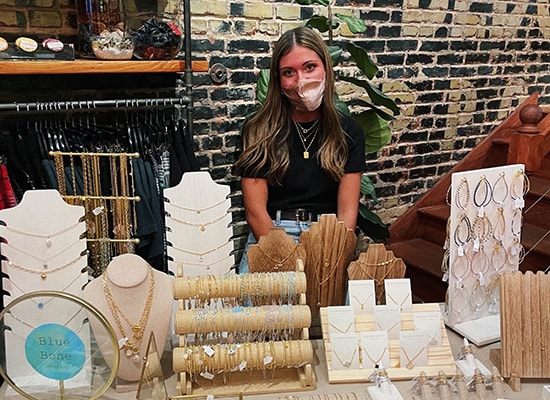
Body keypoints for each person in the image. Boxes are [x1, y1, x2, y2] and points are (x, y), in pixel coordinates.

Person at [234, 26, 367, 273]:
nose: (301, 81)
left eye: (309, 67)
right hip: (271, 232)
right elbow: (254, 211)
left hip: (326, 236)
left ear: (326, 68)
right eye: (288, 72)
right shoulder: (258, 130)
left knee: (334, 310)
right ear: (278, 81)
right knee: (256, 310)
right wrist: (283, 258)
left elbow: (347, 211)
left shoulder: (348, 131)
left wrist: (333, 255)